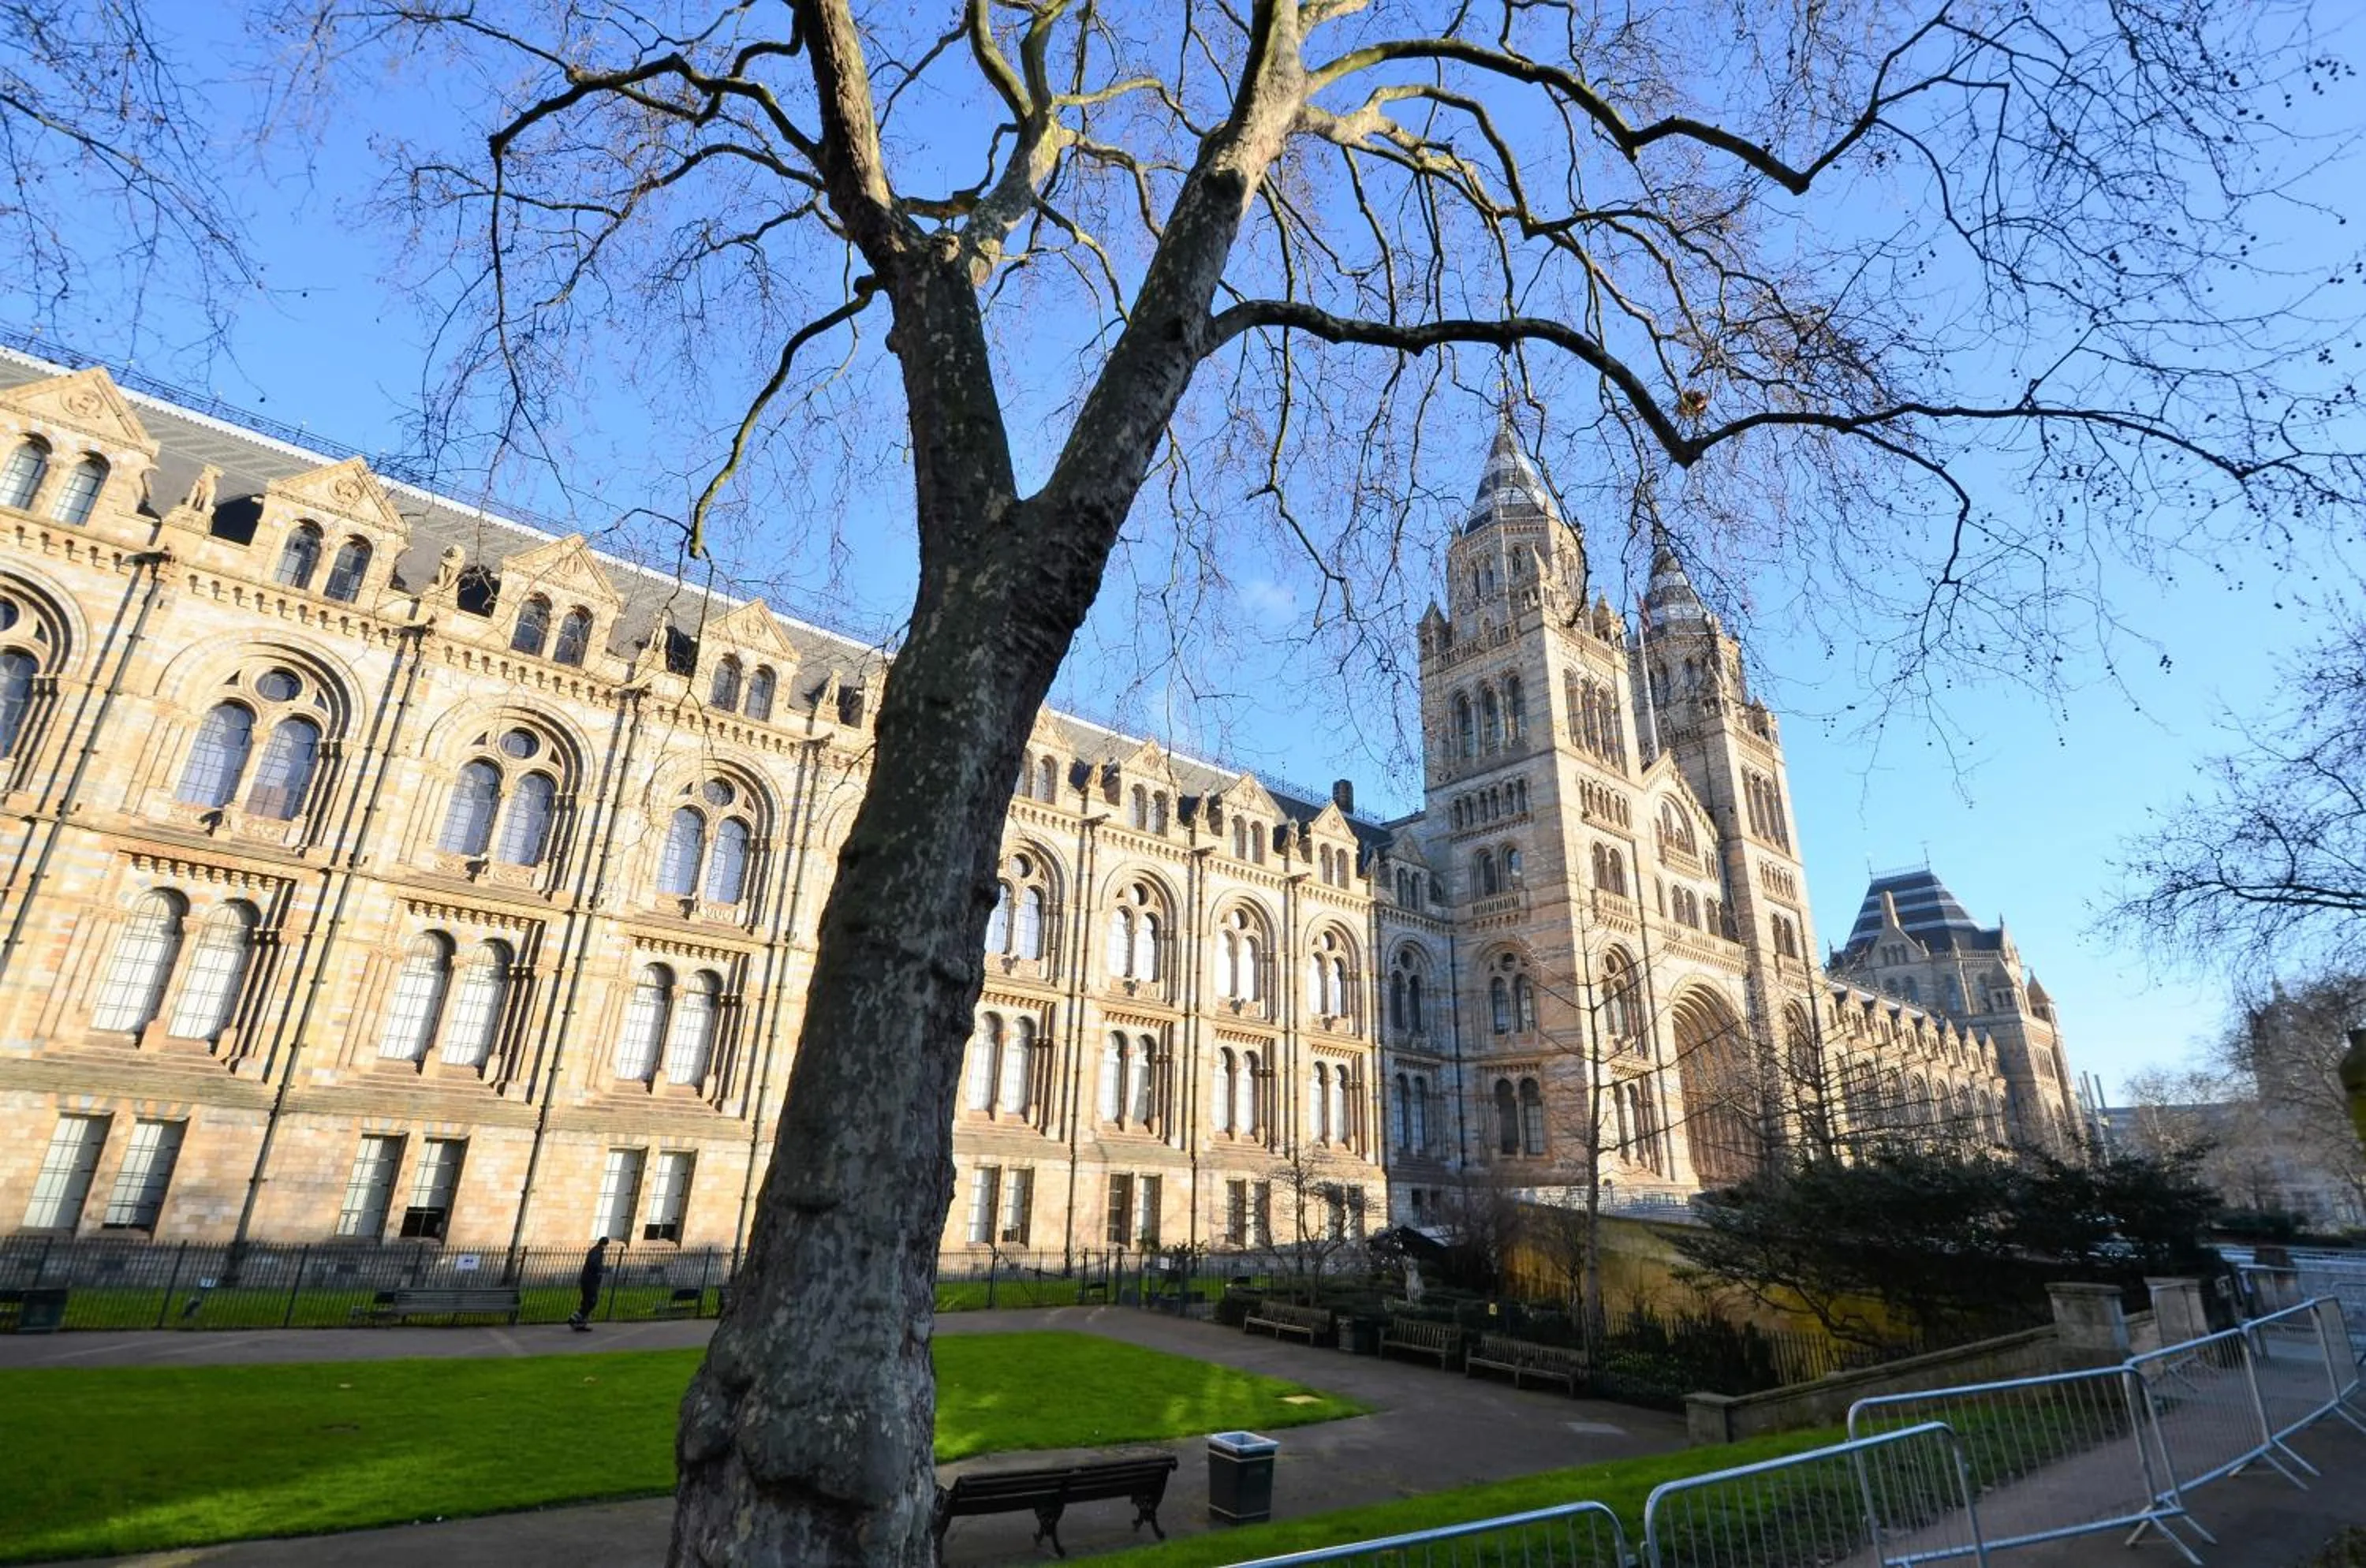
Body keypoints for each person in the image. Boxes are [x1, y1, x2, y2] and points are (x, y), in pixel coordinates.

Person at [569, 1236, 610, 1331]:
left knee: (587, 1302)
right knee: (591, 1301)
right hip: (590, 1280)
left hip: (588, 1280)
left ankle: (580, 1323)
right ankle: (575, 1318)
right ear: (605, 1245)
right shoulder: (597, 1252)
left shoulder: (595, 1251)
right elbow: (593, 1264)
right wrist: (602, 1269)